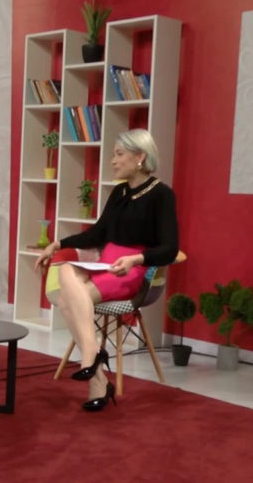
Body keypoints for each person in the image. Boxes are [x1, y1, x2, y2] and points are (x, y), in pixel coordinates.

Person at [34, 129, 179, 412]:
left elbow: (170, 249)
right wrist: (58, 244)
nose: (112, 161)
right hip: (105, 264)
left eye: (119, 154)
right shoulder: (119, 192)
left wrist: (136, 259)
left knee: (66, 301)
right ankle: (94, 360)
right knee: (66, 269)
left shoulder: (162, 194)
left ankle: (95, 373)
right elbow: (97, 234)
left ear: (140, 157)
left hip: (131, 270)